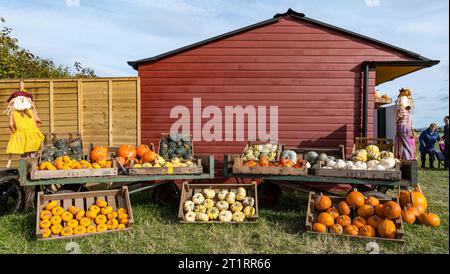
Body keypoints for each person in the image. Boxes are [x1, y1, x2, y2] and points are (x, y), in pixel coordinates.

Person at [395, 88, 415, 160]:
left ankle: (409, 157)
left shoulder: (401, 109)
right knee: (405, 141)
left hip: (401, 126)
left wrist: (396, 117)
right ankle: (404, 155)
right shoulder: (408, 112)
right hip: (407, 127)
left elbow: (398, 117)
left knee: (405, 142)